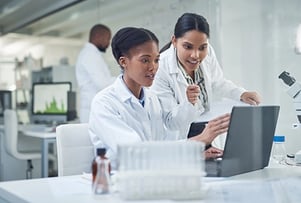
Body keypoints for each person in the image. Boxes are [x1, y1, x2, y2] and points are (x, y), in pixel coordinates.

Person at [89, 27, 230, 169]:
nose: (153, 67)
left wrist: (195, 154)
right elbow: (136, 152)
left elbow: (161, 147)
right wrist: (200, 139)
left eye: (157, 60)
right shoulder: (104, 103)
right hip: (119, 181)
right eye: (145, 60)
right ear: (123, 62)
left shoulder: (152, 98)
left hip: (152, 175)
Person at [151, 13, 261, 142]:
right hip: (181, 139)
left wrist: (241, 94)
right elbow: (170, 122)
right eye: (188, 47)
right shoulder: (160, 68)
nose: (196, 55)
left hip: (205, 129)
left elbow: (217, 82)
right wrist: (189, 103)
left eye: (202, 47)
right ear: (174, 41)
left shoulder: (209, 52)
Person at [76, 24, 115, 123]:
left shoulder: (92, 55)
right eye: (107, 39)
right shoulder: (90, 55)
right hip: (91, 112)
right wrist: (124, 80)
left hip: (94, 110)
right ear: (98, 36)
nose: (108, 43)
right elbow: (103, 84)